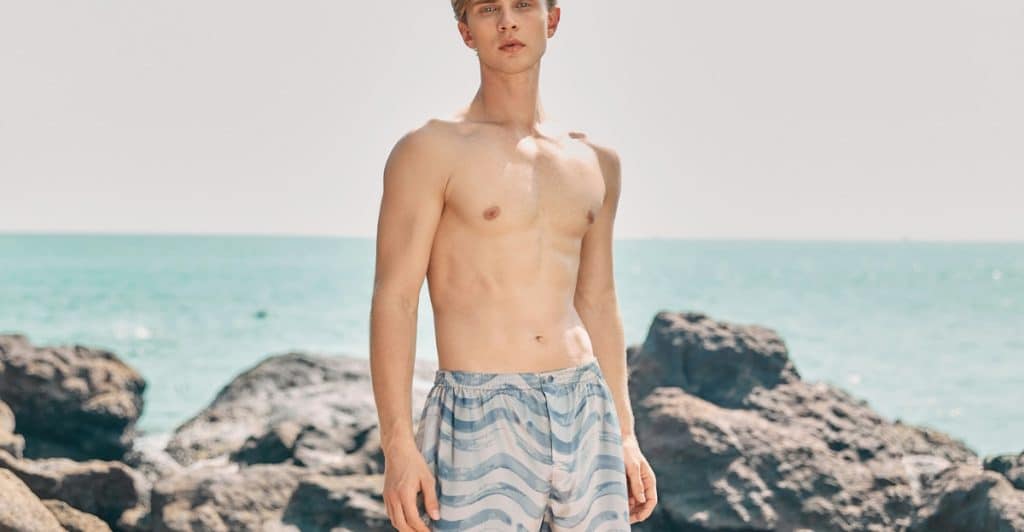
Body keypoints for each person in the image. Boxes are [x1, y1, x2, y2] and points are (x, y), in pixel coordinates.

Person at [369, 1, 657, 530]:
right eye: (488, 9)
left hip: (586, 405)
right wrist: (398, 445)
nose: (507, 21)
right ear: (466, 32)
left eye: (523, 4)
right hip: (480, 412)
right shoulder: (429, 150)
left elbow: (598, 299)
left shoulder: (596, 161)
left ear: (552, 19)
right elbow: (396, 298)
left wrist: (625, 433)